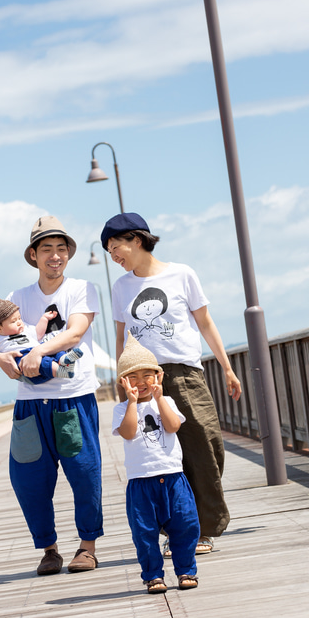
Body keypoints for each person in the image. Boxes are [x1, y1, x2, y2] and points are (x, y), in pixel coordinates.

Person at [101, 211, 242, 557]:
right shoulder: (121, 288)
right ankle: (187, 530)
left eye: (115, 246)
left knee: (206, 447)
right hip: (143, 378)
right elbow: (121, 338)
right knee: (160, 457)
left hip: (185, 373)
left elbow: (205, 323)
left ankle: (204, 522)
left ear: (136, 239)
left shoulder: (182, 274)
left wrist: (226, 368)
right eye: (107, 251)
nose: (113, 256)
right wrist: (124, 385)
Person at [0, 215, 103, 576]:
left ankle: (87, 547)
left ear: (68, 254)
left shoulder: (82, 289)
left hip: (72, 397)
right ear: (34, 256)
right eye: (46, 250)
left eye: (60, 249)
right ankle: (49, 550)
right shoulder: (17, 298)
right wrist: (2, 361)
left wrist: (39, 351)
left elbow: (75, 332)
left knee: (85, 473)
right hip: (29, 405)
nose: (54, 256)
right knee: (28, 480)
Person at [113, 332, 199, 594]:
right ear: (123, 382)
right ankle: (153, 575)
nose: (140, 383)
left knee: (186, 524)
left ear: (157, 376)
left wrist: (160, 398)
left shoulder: (168, 402)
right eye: (133, 378)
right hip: (141, 481)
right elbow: (128, 432)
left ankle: (186, 570)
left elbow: (173, 426)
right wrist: (130, 401)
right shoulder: (121, 409)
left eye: (146, 376)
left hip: (173, 477)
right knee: (144, 532)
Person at [0, 290, 83, 386]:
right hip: (23, 363)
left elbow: (38, 333)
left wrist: (44, 319)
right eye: (13, 321)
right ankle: (63, 371)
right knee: (43, 361)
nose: (19, 323)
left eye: (19, 318)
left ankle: (64, 359)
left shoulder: (25, 329)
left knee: (50, 345)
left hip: (37, 351)